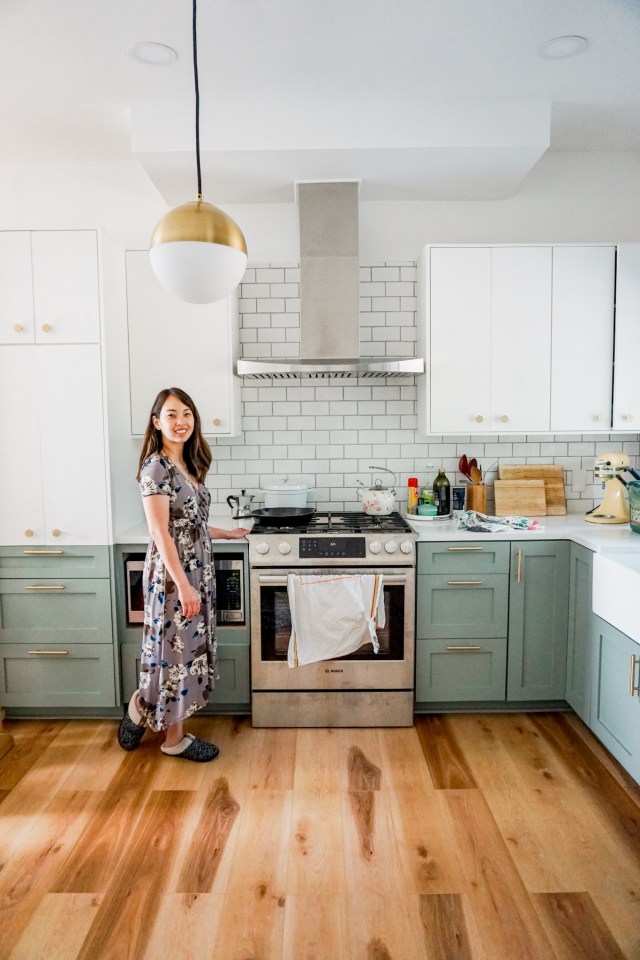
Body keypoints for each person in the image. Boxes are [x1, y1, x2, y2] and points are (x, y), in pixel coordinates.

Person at [117, 387, 250, 761]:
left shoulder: (189, 465)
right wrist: (185, 586)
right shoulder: (155, 467)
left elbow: (189, 525)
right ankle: (172, 740)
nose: (181, 422)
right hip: (174, 578)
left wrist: (226, 532)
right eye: (172, 415)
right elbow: (161, 533)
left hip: (195, 573)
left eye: (187, 414)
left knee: (184, 652)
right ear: (156, 422)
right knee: (175, 655)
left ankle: (141, 707)